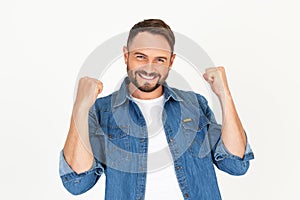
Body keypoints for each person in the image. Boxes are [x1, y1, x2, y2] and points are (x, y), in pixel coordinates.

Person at [59, 19, 254, 200]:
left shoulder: (194, 104)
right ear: (126, 56)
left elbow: (236, 164)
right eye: (141, 56)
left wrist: (225, 95)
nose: (149, 68)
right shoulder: (101, 111)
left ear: (171, 61)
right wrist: (80, 107)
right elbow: (78, 182)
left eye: (160, 59)